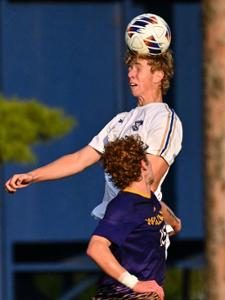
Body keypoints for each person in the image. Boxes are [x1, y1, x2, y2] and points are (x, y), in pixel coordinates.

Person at [5, 48, 182, 224]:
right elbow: (79, 159)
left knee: (96, 248)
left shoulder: (164, 119)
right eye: (130, 68)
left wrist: (171, 221)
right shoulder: (120, 120)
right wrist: (33, 175)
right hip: (115, 224)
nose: (130, 74)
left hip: (139, 232)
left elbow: (148, 182)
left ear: (159, 74)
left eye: (137, 67)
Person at [87, 135, 182, 300]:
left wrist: (175, 223)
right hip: (123, 295)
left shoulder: (147, 198)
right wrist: (135, 284)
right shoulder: (124, 206)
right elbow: (96, 248)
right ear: (142, 165)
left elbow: (159, 206)